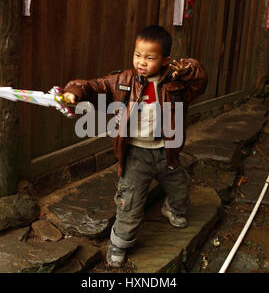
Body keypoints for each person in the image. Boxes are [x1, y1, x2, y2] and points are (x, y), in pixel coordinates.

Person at [63, 25, 208, 268]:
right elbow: (95, 85)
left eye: (150, 57)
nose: (142, 62)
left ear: (165, 60)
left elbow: (200, 80)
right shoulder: (124, 80)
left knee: (180, 188)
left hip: (167, 151)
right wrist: (74, 91)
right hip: (136, 155)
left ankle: (172, 209)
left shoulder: (177, 82)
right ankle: (119, 243)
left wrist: (188, 68)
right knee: (130, 202)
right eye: (138, 55)